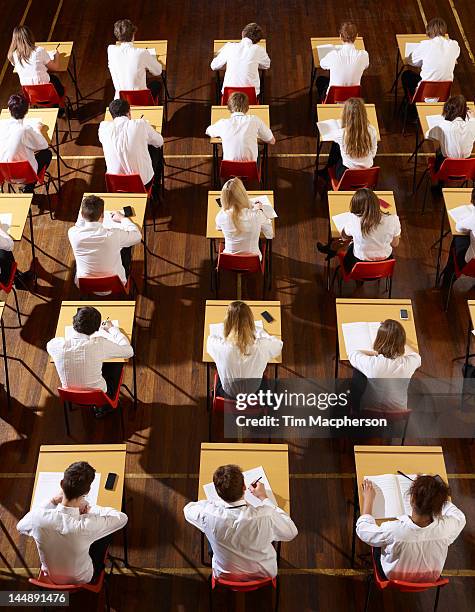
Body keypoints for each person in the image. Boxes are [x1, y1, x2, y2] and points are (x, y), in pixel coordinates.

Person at [17, 461, 128, 584]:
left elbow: (20, 526)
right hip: (82, 578)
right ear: (87, 492)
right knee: (104, 536)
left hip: (50, 576)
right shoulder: (87, 525)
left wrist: (53, 501)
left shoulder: (37, 518)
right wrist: (91, 509)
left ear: (61, 484)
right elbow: (122, 518)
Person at [184, 464, 297, 581]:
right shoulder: (266, 516)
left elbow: (188, 510)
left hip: (225, 575)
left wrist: (215, 503)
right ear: (244, 487)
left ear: (218, 492)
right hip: (263, 574)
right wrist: (264, 498)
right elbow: (291, 532)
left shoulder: (207, 514)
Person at [357, 476, 465, 582]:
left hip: (393, 577)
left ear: (412, 499)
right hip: (430, 578)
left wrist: (368, 499)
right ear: (438, 506)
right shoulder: (447, 527)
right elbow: (460, 517)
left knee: (378, 543)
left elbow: (363, 529)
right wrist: (437, 497)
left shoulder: (393, 530)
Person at [47, 306, 134, 415]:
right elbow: (129, 352)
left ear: (74, 321)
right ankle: (105, 407)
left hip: (71, 395)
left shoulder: (55, 345)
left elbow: (50, 346)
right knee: (117, 362)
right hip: (101, 396)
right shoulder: (98, 344)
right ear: (96, 329)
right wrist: (112, 329)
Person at [206, 300, 282, 398]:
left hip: (227, 394)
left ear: (227, 322)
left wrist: (226, 333)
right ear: (250, 322)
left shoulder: (219, 345)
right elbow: (278, 346)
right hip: (254, 394)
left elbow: (210, 341)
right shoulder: (262, 345)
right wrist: (260, 331)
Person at [68, 195, 141, 291]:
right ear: (102, 215)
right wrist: (122, 218)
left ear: (82, 215)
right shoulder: (113, 235)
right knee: (126, 249)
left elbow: (79, 225)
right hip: (116, 283)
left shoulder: (72, 233)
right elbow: (137, 236)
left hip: (85, 284)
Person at [348, 319, 421, 413]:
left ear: (379, 340)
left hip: (369, 411)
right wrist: (397, 339)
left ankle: (353, 411)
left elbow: (353, 354)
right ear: (402, 342)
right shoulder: (408, 363)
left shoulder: (372, 363)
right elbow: (416, 356)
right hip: (398, 412)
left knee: (357, 370)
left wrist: (376, 353)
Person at [318, 188, 400, 270]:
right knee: (352, 242)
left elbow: (344, 237)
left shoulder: (354, 220)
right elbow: (395, 244)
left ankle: (331, 250)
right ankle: (331, 250)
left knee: (345, 243)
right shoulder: (393, 219)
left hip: (357, 265)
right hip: (384, 266)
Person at [99, 98, 164, 197]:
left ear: (112, 116)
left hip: (116, 184)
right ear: (129, 112)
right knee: (156, 149)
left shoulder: (103, 128)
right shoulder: (140, 124)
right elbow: (159, 141)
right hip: (142, 183)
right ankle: (156, 190)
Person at [0, 93, 52, 193]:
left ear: (8, 109)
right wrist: (38, 130)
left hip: (4, 174)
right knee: (47, 154)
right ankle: (29, 187)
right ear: (27, 109)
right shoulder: (25, 130)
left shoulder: (1, 125)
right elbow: (44, 145)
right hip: (26, 175)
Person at [319, 97, 378, 182]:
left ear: (346, 114)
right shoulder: (372, 130)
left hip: (346, 175)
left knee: (336, 147)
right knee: (338, 147)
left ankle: (326, 173)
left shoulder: (341, 134)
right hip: (367, 175)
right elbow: (373, 152)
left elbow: (326, 133)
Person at [206, 92, 275, 162]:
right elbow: (272, 141)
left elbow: (208, 131)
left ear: (229, 107)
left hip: (229, 170)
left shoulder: (223, 123)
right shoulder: (254, 120)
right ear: (247, 107)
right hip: (251, 169)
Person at [402, 17, 460, 99]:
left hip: (424, 93)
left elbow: (411, 61)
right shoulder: (454, 45)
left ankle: (411, 106)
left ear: (429, 30)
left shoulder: (426, 44)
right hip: (444, 93)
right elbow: (455, 56)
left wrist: (407, 59)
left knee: (407, 75)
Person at [217, 177, 274, 260]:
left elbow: (218, 227)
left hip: (229, 261)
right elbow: (269, 235)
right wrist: (260, 211)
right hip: (253, 261)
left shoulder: (221, 216)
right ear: (243, 194)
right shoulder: (257, 215)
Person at [107, 18, 163, 100]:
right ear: (133, 34)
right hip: (141, 99)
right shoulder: (142, 53)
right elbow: (158, 71)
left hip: (121, 99)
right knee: (156, 84)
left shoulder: (111, 50)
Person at [210, 23, 270, 97]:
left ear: (243, 33)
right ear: (257, 40)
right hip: (250, 97)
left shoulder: (229, 47)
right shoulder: (258, 49)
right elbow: (267, 64)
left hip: (229, 96)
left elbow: (213, 66)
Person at [316, 22, 369, 101]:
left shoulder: (333, 55)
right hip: (353, 99)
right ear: (356, 36)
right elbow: (366, 65)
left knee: (320, 80)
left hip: (333, 98)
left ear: (340, 36)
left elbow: (322, 64)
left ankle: (322, 107)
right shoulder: (364, 55)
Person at [8, 25, 65, 99]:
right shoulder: (39, 51)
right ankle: (57, 105)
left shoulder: (14, 55)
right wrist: (56, 55)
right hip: (48, 94)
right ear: (30, 36)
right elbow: (55, 67)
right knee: (54, 79)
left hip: (31, 95)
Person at [425, 95, 475, 172]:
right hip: (466, 169)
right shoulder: (472, 124)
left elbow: (427, 136)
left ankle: (440, 180)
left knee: (439, 151)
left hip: (446, 168)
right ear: (465, 111)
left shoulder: (443, 125)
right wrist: (472, 119)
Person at [440, 188, 475, 287]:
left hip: (470, 264)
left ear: (472, 201)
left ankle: (448, 279)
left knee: (457, 239)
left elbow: (459, 228)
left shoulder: (473, 218)